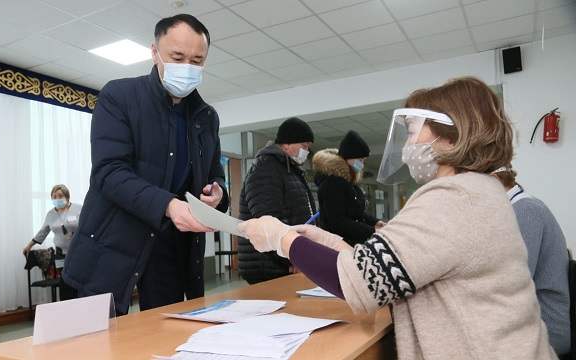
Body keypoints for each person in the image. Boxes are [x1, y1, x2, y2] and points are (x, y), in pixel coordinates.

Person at [239, 77, 557, 359]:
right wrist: (329, 241)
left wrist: (283, 239)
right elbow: (390, 271)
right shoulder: (479, 190)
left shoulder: (452, 198)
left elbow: (363, 284)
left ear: (450, 138)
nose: (407, 145)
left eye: (413, 132)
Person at [62, 14, 228, 314]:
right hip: (111, 246)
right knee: (96, 347)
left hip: (172, 253)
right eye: (177, 57)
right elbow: (109, 173)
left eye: (197, 60)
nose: (187, 68)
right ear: (154, 52)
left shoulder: (206, 117)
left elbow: (215, 175)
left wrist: (218, 194)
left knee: (167, 340)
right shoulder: (119, 96)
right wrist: (169, 206)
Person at [493, 166, 570, 357]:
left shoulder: (526, 211)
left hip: (547, 331)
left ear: (493, 180)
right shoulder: (516, 208)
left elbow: (512, 284)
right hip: (528, 321)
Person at [237, 117, 317, 284]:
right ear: (286, 144)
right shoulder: (266, 169)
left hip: (286, 259)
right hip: (269, 265)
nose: (306, 151)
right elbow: (268, 223)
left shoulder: (290, 170)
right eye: (304, 146)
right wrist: (292, 258)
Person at [312, 130, 385, 246]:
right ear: (347, 158)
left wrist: (375, 222)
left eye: (363, 161)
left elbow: (356, 212)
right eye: (359, 160)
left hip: (351, 243)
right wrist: (372, 231)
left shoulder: (349, 183)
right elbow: (337, 221)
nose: (362, 164)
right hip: (337, 246)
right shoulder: (333, 184)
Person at [22, 184, 82, 257]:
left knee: (77, 268)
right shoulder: (50, 214)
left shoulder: (79, 209)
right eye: (54, 197)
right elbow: (42, 232)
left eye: (60, 196)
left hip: (78, 251)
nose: (57, 199)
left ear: (67, 196)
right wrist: (29, 246)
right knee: (61, 268)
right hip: (60, 253)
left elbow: (88, 227)